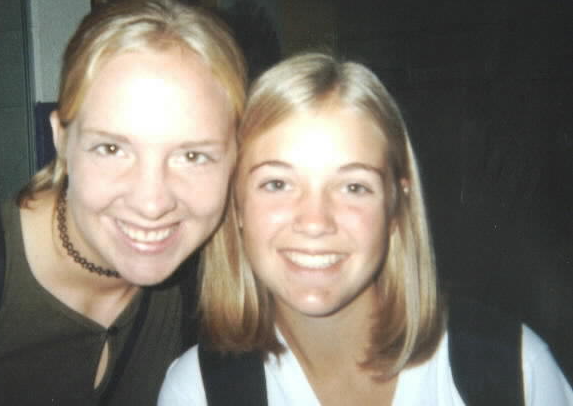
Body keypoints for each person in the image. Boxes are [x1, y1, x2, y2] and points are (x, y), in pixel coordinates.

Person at [158, 52, 573, 405]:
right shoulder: (199, 391)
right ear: (237, 205)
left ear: (396, 207)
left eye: (353, 187)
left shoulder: (512, 369)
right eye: (278, 184)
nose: (315, 222)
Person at [0, 0, 246, 405]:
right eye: (111, 148)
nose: (152, 204)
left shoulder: (221, 284)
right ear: (61, 139)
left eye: (193, 156)